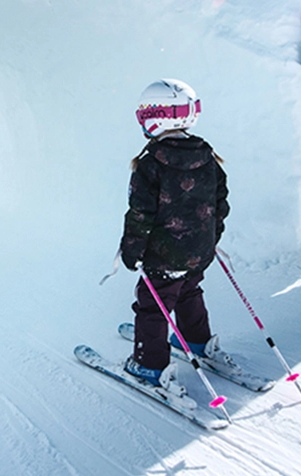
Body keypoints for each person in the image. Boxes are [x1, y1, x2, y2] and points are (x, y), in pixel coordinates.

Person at [118, 79, 233, 403]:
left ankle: (149, 365)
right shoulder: (207, 156)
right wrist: (210, 240)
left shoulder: (150, 164)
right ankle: (196, 342)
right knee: (188, 291)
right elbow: (219, 205)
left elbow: (141, 213)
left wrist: (132, 251)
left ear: (156, 116)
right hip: (199, 251)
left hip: (163, 256)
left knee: (153, 306)